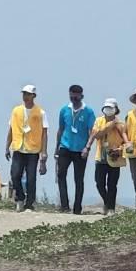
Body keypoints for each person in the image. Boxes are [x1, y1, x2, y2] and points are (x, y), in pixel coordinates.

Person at [5, 85, 49, 212]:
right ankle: (20, 198)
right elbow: (11, 129)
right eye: (24, 94)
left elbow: (44, 133)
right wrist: (7, 146)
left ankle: (29, 203)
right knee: (15, 175)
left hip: (33, 149)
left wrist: (44, 152)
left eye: (28, 94)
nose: (25, 96)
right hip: (18, 147)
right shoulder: (16, 111)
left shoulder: (40, 112)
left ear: (33, 96)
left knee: (31, 178)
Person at [55, 85, 96, 215]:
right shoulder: (64, 110)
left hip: (80, 150)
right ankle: (64, 205)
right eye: (71, 96)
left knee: (78, 179)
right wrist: (57, 147)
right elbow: (60, 129)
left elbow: (92, 131)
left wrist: (87, 147)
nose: (74, 98)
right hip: (65, 147)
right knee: (61, 174)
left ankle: (77, 208)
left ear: (81, 96)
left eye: (76, 96)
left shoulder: (88, 111)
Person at [86, 99, 130, 215]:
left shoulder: (121, 125)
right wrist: (110, 125)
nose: (108, 110)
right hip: (101, 157)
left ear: (116, 110)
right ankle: (107, 202)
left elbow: (126, 142)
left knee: (112, 184)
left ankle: (111, 208)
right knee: (99, 183)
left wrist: (119, 150)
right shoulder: (99, 121)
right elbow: (97, 135)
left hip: (115, 158)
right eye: (106, 108)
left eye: (111, 108)